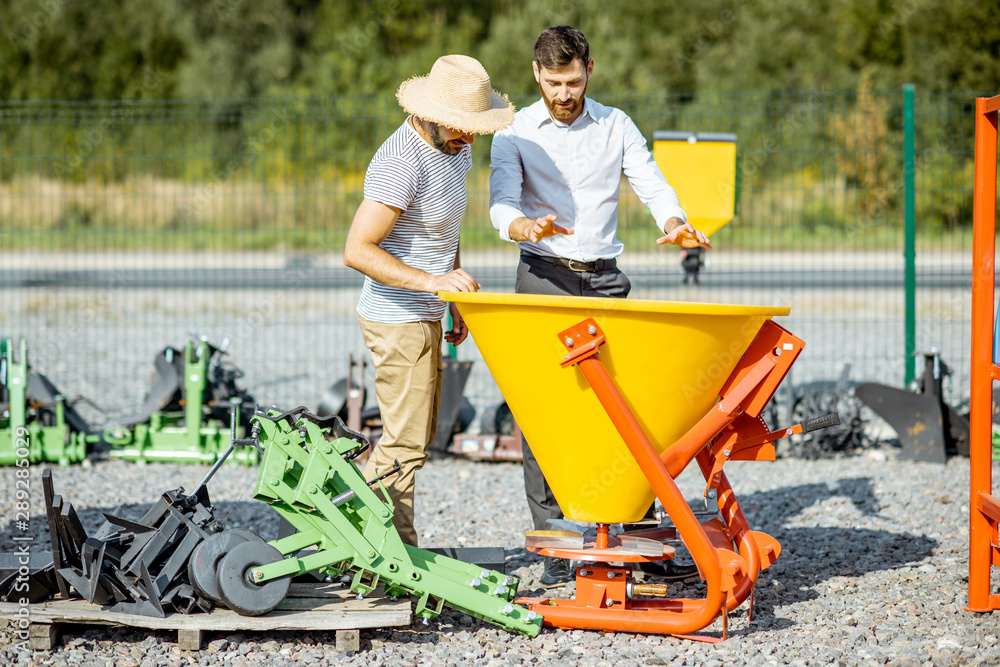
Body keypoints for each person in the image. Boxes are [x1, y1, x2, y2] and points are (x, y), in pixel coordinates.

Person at [489, 25, 711, 586]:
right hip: (542, 278)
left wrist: (675, 222)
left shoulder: (617, 124)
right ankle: (558, 547)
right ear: (536, 75)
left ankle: (634, 535)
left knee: (629, 410)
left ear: (590, 69)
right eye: (553, 82)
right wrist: (523, 226)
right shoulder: (512, 129)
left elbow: (651, 181)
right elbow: (501, 202)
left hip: (607, 282)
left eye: (572, 80)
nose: (563, 92)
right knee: (542, 413)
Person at [344, 54, 515, 547]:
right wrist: (432, 284)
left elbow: (445, 228)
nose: (471, 137)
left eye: (475, 127)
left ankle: (380, 548)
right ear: (431, 115)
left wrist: (451, 296)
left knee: (415, 441)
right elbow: (357, 250)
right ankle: (385, 555)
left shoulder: (453, 149)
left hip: (426, 311)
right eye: (462, 126)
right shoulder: (401, 161)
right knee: (404, 445)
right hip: (396, 319)